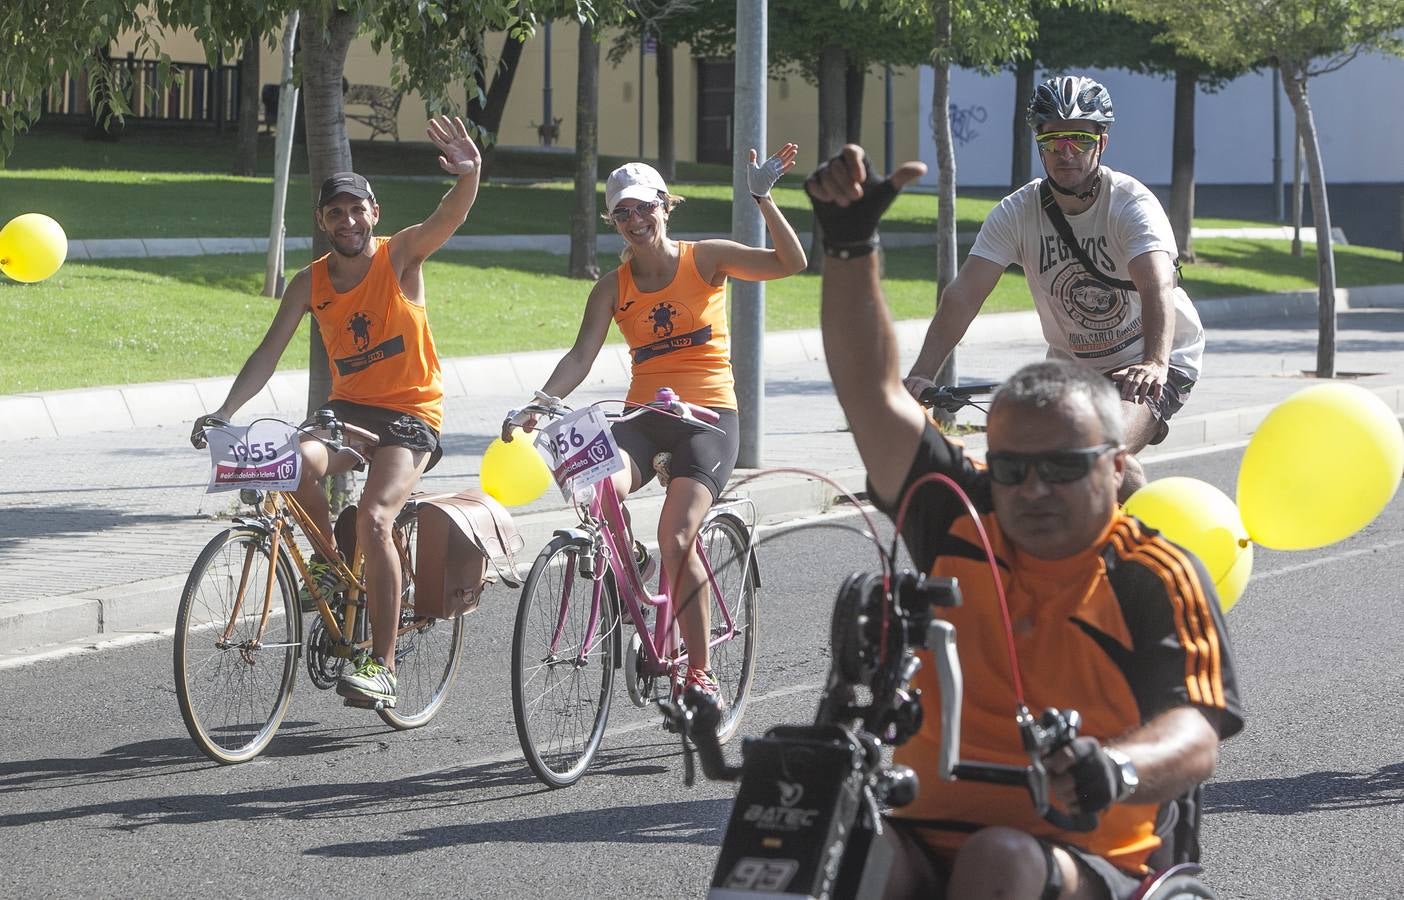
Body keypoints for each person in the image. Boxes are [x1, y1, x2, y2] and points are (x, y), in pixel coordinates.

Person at [805, 146, 1243, 899]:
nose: (1033, 489)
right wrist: (848, 247)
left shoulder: (1151, 571)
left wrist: (1119, 768)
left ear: (1115, 468)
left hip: (1081, 847)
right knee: (809, 844)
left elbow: (1195, 731)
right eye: (1011, 469)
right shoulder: (961, 516)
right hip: (923, 824)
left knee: (997, 861)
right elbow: (872, 395)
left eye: (1064, 468)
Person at [190, 115, 483, 709]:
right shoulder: (310, 281)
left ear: (373, 213)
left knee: (376, 517)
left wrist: (470, 175)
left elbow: (447, 217)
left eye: (357, 210)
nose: (347, 221)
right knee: (292, 462)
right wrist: (221, 412)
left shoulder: (399, 257)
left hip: (410, 412)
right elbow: (267, 354)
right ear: (321, 221)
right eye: (335, 213)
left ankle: (383, 663)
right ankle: (327, 567)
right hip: (348, 408)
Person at [504, 147, 807, 703]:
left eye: (644, 208)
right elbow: (580, 356)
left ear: (666, 206)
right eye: (622, 213)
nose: (635, 221)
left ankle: (699, 671)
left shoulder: (706, 259)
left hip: (709, 419)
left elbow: (790, 263)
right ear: (612, 221)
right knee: (596, 484)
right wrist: (538, 402)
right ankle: (634, 561)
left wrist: (763, 199)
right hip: (646, 417)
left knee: (677, 536)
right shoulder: (613, 287)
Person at [903, 75, 1205, 500]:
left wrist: (1155, 362)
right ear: (1038, 143)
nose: (1066, 153)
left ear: (1102, 142)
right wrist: (920, 375)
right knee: (1031, 466)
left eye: (1079, 139)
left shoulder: (1130, 203)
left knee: (1100, 456)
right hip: (1075, 370)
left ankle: (1146, 561)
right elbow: (963, 296)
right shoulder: (1017, 212)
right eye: (1054, 140)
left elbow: (1156, 281)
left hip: (1153, 360)